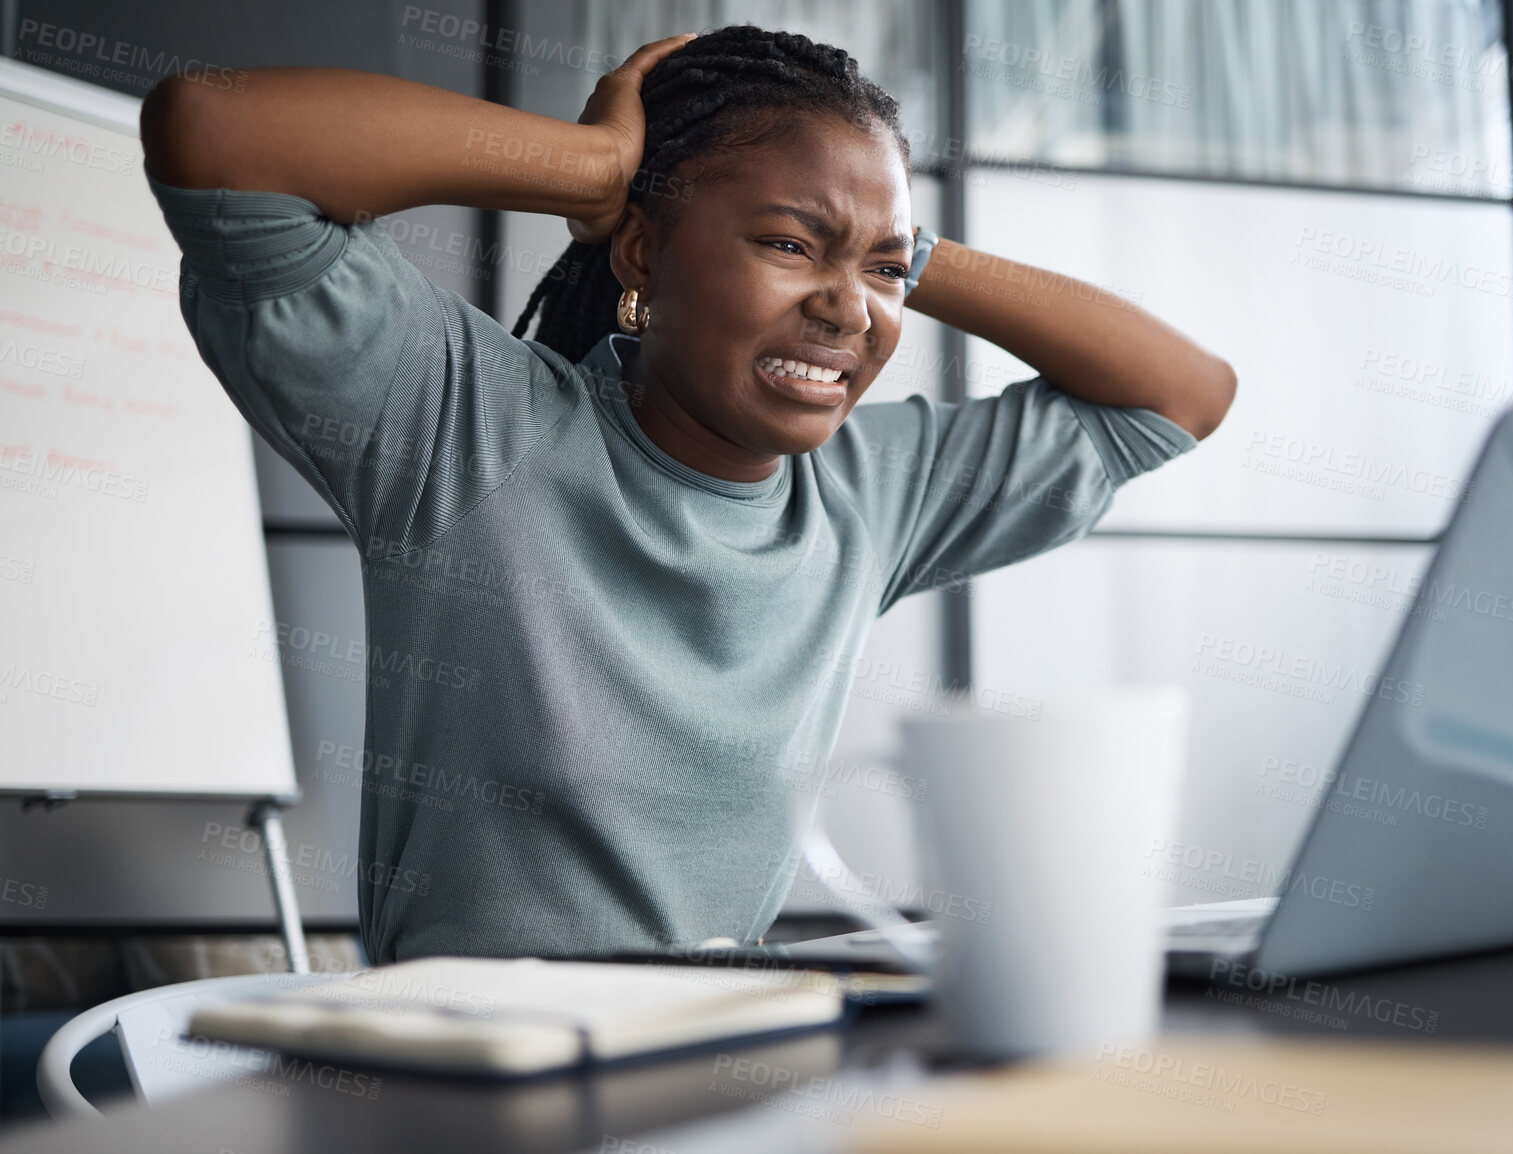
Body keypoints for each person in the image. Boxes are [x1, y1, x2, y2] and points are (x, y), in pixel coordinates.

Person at [139, 26, 1235, 963]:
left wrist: (894, 244)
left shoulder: (872, 491)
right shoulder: (468, 426)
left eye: (881, 276)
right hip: (457, 1080)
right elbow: (213, 133)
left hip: (715, 1066)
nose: (847, 309)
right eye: (785, 243)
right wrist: (592, 164)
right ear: (645, 252)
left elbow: (1182, 391)